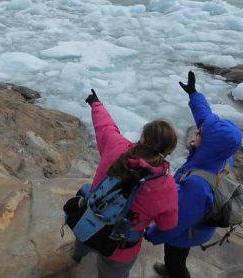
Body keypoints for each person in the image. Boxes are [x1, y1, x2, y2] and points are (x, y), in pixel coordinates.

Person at [146, 71, 242, 278]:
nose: (196, 132)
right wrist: (194, 94)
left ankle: (174, 272)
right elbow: (206, 119)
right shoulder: (222, 156)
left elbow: (178, 220)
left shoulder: (197, 185)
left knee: (175, 260)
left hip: (188, 231)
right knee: (176, 257)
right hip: (200, 222)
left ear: (207, 143)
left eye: (200, 133)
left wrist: (153, 234)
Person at [76, 89, 179, 278]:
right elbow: (167, 224)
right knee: (113, 273)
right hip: (120, 245)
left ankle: (77, 257)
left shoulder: (117, 146)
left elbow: (105, 126)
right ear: (168, 151)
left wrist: (95, 103)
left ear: (143, 138)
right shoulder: (166, 185)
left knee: (83, 235)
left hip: (89, 222)